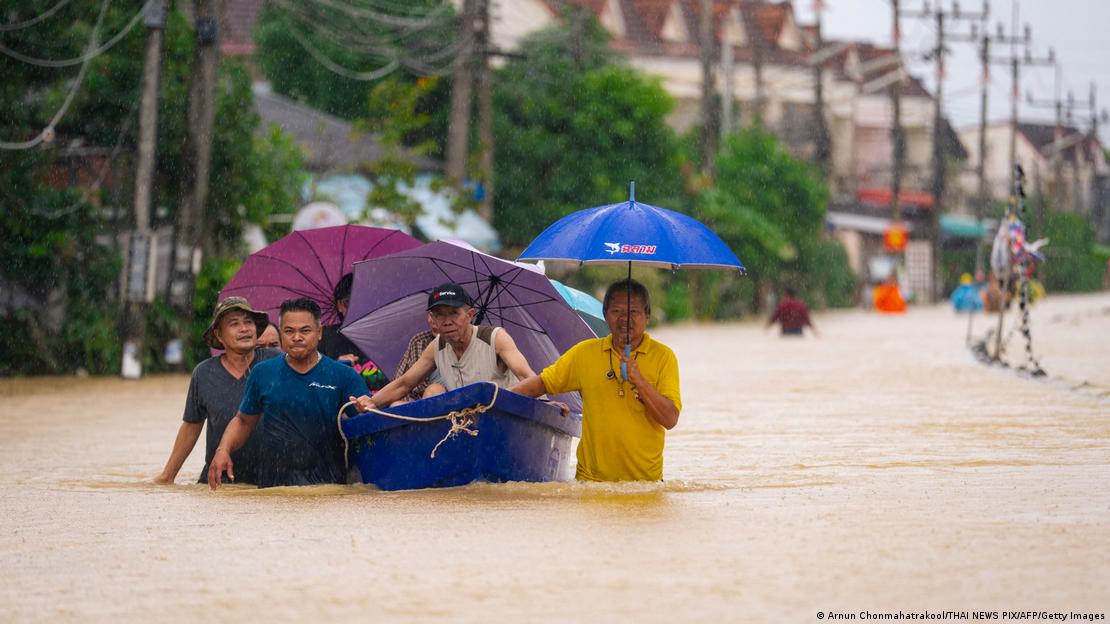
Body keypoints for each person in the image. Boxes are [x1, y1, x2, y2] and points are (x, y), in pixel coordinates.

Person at [509, 279, 681, 482]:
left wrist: (641, 382)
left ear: (648, 316)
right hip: (591, 483)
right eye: (616, 311)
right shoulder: (585, 353)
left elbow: (670, 419)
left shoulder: (663, 357)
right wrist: (493, 399)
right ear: (605, 316)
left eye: (633, 312)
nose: (625, 319)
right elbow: (541, 384)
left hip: (645, 485)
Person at [207, 297, 366, 489]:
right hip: (273, 491)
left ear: (319, 333)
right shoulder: (262, 373)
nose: (296, 337)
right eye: (289, 331)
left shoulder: (344, 375)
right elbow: (243, 421)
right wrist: (223, 449)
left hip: (328, 490)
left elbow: (367, 422)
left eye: (305, 331)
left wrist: (368, 405)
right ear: (281, 333)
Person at [153, 297, 277, 485]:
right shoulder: (204, 373)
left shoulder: (277, 363)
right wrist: (167, 476)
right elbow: (191, 428)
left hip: (269, 481)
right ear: (219, 335)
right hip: (219, 482)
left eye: (248, 322)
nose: (244, 329)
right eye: (234, 324)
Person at [354, 283, 536, 410]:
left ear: (470, 315)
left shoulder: (495, 338)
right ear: (432, 319)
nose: (447, 321)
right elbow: (404, 384)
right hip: (467, 423)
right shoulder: (436, 347)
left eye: (454, 313)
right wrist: (372, 402)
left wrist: (541, 402)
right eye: (440, 315)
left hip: (506, 416)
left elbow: (527, 377)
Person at [319, 273, 389, 394]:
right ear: (339, 306)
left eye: (363, 301)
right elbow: (315, 385)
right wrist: (334, 367)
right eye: (348, 302)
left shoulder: (388, 336)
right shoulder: (324, 337)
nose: (356, 308)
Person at [391, 325, 445, 404]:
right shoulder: (422, 341)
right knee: (396, 404)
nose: (433, 322)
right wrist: (373, 402)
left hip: (447, 397)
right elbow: (403, 384)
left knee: (435, 390)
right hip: (420, 399)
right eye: (435, 317)